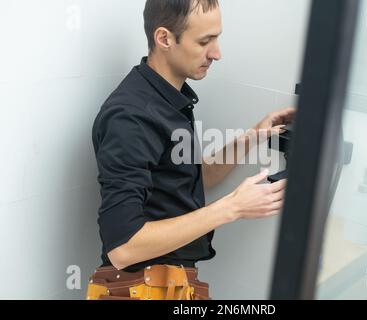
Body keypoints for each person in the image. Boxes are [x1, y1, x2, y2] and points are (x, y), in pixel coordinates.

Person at [86, 0, 295, 300]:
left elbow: (192, 179)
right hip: (137, 289)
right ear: (164, 39)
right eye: (204, 41)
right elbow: (123, 247)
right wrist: (231, 207)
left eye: (217, 37)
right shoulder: (131, 117)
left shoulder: (168, 98)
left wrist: (252, 136)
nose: (217, 53)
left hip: (172, 282)